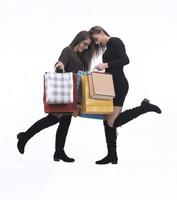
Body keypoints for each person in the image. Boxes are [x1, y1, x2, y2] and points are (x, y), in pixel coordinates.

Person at [17, 31, 95, 162]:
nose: (86, 47)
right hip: (64, 91)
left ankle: (59, 152)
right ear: (79, 39)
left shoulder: (80, 57)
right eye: (85, 44)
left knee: (65, 123)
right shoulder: (68, 51)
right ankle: (24, 137)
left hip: (73, 94)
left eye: (88, 46)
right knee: (52, 119)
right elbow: (61, 64)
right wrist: (60, 65)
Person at [89, 26, 161, 165]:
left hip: (119, 85)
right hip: (110, 86)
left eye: (96, 40)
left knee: (113, 122)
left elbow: (125, 60)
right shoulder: (109, 47)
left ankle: (144, 107)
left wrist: (105, 65)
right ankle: (112, 156)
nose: (98, 44)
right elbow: (112, 67)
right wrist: (102, 72)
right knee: (107, 121)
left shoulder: (115, 41)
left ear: (101, 32)